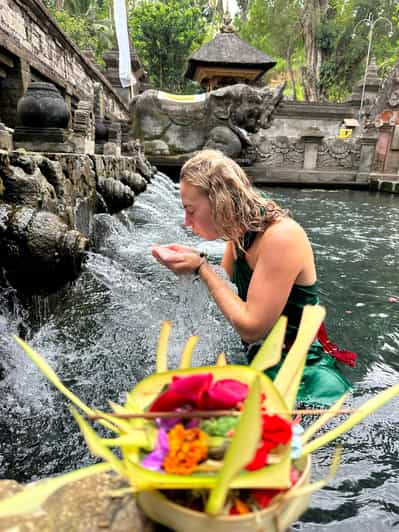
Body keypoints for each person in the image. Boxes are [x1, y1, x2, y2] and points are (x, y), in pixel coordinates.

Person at [152, 149, 356, 406]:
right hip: (259, 357)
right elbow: (223, 290)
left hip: (299, 372)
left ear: (220, 201)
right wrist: (189, 264)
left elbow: (251, 327)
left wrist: (201, 267)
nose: (186, 221)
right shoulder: (239, 232)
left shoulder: (282, 237)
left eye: (190, 210)